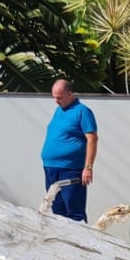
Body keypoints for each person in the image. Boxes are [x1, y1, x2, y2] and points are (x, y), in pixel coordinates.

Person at [41, 79, 98, 222]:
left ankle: (81, 243)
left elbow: (92, 138)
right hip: (51, 168)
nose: (56, 101)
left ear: (70, 94)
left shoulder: (82, 111)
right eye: (54, 97)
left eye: (59, 97)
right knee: (57, 212)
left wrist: (88, 167)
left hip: (70, 170)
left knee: (74, 212)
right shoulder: (58, 111)